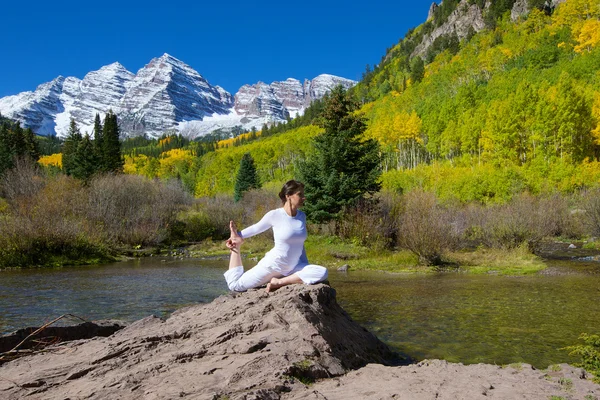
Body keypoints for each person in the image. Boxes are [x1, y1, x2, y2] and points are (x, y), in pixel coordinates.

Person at [224, 180, 328, 292]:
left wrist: (305, 266)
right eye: (300, 194)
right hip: (273, 266)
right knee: (235, 286)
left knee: (322, 272)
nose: (304, 197)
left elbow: (299, 244)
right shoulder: (275, 215)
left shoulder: (302, 216)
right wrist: (236, 236)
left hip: (293, 267)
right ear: (288, 196)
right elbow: (256, 228)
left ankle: (279, 282)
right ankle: (236, 248)